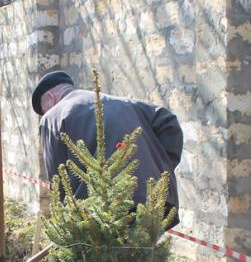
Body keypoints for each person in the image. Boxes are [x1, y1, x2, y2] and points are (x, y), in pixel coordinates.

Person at [32, 70, 182, 226]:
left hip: (96, 212)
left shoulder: (51, 118)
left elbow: (58, 179)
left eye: (43, 110)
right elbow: (168, 121)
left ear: (50, 97)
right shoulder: (126, 103)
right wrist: (162, 170)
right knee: (141, 249)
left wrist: (69, 218)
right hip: (154, 197)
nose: (44, 114)